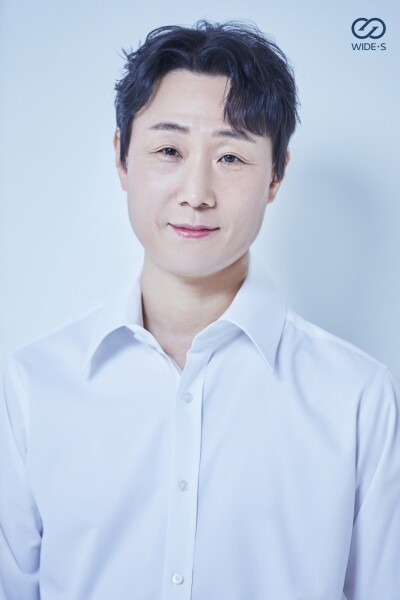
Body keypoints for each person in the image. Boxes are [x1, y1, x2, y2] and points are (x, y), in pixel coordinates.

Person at [0, 20, 399, 600]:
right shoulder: (34, 386)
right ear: (122, 159)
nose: (196, 193)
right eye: (169, 150)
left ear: (276, 175)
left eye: (231, 157)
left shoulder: (358, 397)